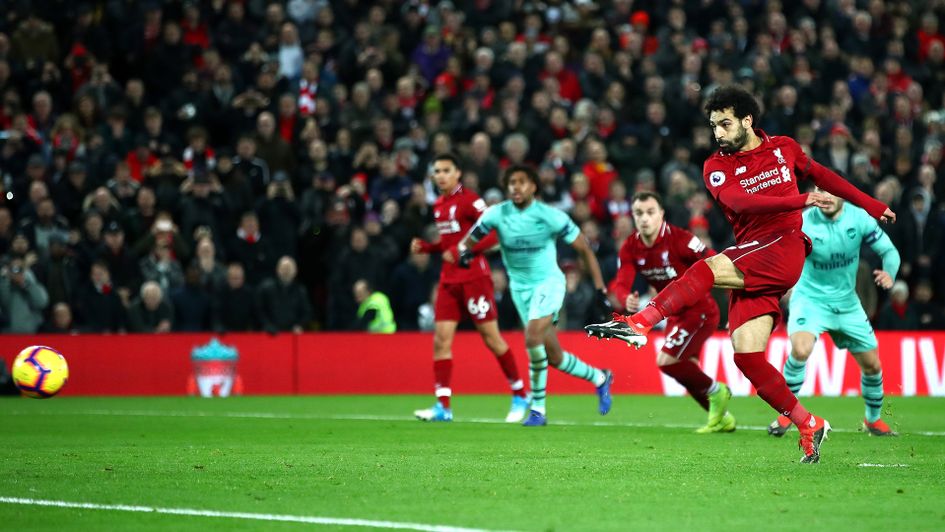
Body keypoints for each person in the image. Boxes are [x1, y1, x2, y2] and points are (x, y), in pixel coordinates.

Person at [586, 85, 895, 462]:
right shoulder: (715, 166)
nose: (717, 133)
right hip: (755, 253)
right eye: (713, 125)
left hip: (784, 247)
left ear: (747, 120)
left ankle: (641, 322)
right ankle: (807, 422)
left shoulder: (784, 148)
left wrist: (872, 204)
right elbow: (740, 202)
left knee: (707, 267)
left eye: (725, 123)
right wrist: (800, 198)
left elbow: (825, 176)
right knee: (746, 356)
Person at [459, 164, 614, 427]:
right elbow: (470, 240)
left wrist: (600, 289)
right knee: (553, 356)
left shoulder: (550, 216)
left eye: (522, 182)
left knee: (532, 336)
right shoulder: (496, 214)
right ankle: (600, 378)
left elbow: (584, 249)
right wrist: (466, 252)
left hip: (549, 283)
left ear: (533, 186)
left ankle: (538, 410)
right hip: (520, 290)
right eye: (511, 183)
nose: (515, 187)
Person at [768, 187, 900, 438]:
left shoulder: (859, 218)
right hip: (810, 300)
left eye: (832, 193)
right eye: (821, 193)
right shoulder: (803, 220)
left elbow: (889, 251)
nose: (827, 199)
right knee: (801, 349)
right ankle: (786, 414)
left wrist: (889, 273)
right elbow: (778, 253)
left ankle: (873, 421)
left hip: (847, 304)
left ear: (842, 194)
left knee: (872, 366)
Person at [410, 153, 528, 423]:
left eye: (445, 170)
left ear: (458, 173)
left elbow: (495, 232)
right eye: (436, 170)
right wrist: (429, 247)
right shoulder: (439, 204)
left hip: (475, 279)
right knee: (441, 340)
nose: (440, 175)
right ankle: (443, 406)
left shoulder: (470, 200)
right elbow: (450, 242)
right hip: (449, 281)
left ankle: (520, 394)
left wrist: (464, 249)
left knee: (491, 338)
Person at [610, 191, 732, 433]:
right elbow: (621, 283)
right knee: (687, 371)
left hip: (700, 311)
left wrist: (736, 302)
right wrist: (627, 299)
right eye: (639, 213)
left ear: (661, 214)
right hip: (673, 315)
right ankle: (721, 418)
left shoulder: (681, 239)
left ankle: (717, 390)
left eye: (650, 212)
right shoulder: (631, 247)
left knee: (667, 362)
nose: (644, 219)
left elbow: (716, 263)